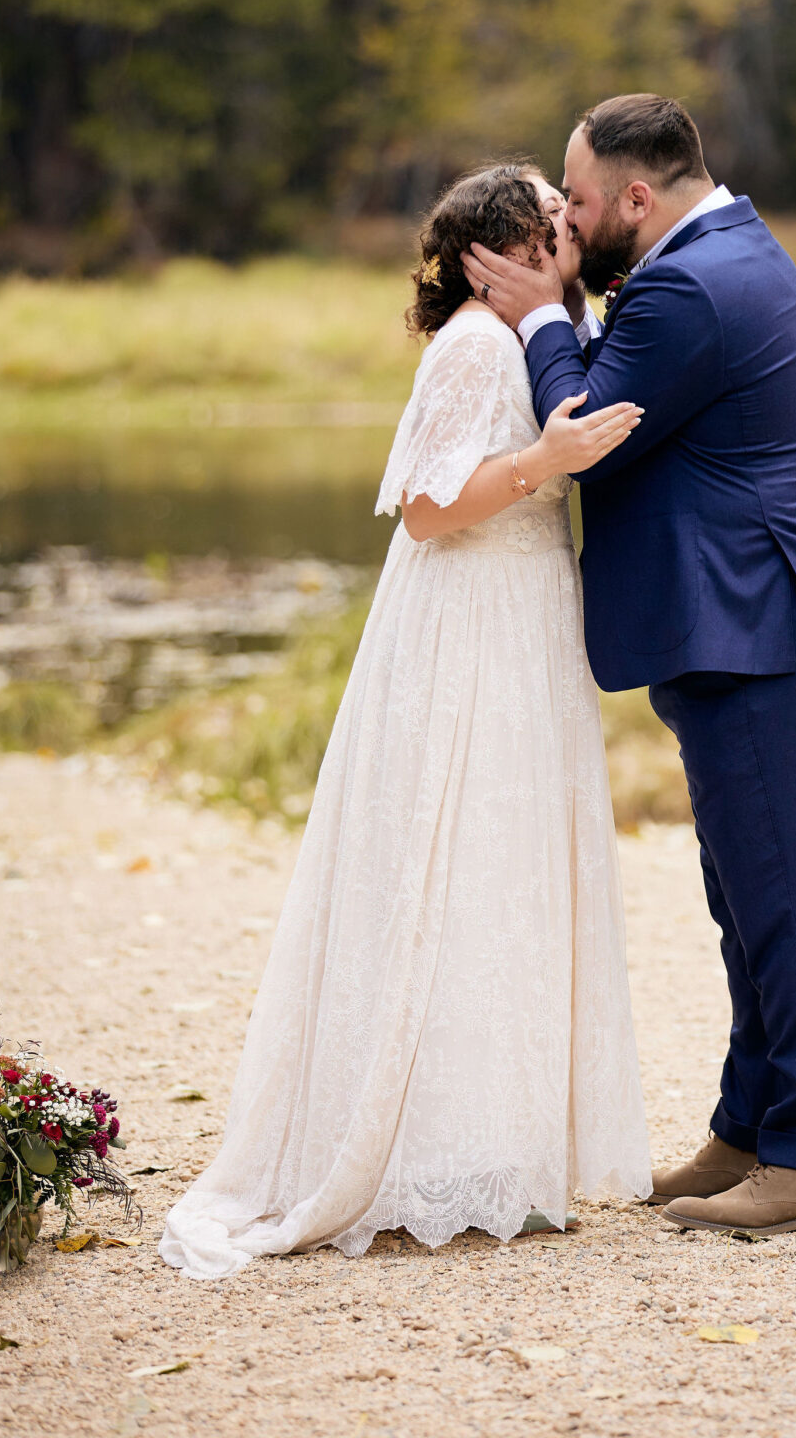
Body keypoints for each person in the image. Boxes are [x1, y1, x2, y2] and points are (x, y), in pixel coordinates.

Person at [159, 163, 651, 1279]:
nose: (573, 225)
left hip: (525, 611)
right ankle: (421, 1148)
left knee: (509, 869)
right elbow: (431, 512)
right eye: (554, 215)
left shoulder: (534, 331)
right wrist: (541, 464)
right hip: (470, 618)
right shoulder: (476, 344)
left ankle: (499, 1146)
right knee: (457, 855)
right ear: (513, 246)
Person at [462, 94, 796, 1239]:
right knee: (746, 896)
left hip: (760, 629)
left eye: (581, 201)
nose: (571, 222)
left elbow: (586, 426)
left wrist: (547, 312)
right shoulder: (717, 253)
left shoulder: (690, 283)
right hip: (755, 622)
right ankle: (750, 1128)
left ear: (637, 199)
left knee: (785, 901)